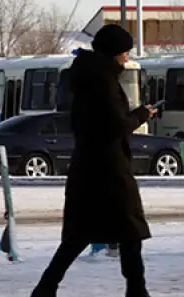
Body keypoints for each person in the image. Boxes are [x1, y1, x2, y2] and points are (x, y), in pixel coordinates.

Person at [31, 24, 157, 297]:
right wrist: (141, 115)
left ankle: (46, 287)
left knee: (78, 235)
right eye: (124, 51)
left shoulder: (86, 76)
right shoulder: (103, 81)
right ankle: (137, 291)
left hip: (87, 167)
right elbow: (114, 125)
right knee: (129, 232)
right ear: (114, 52)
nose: (126, 57)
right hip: (109, 170)